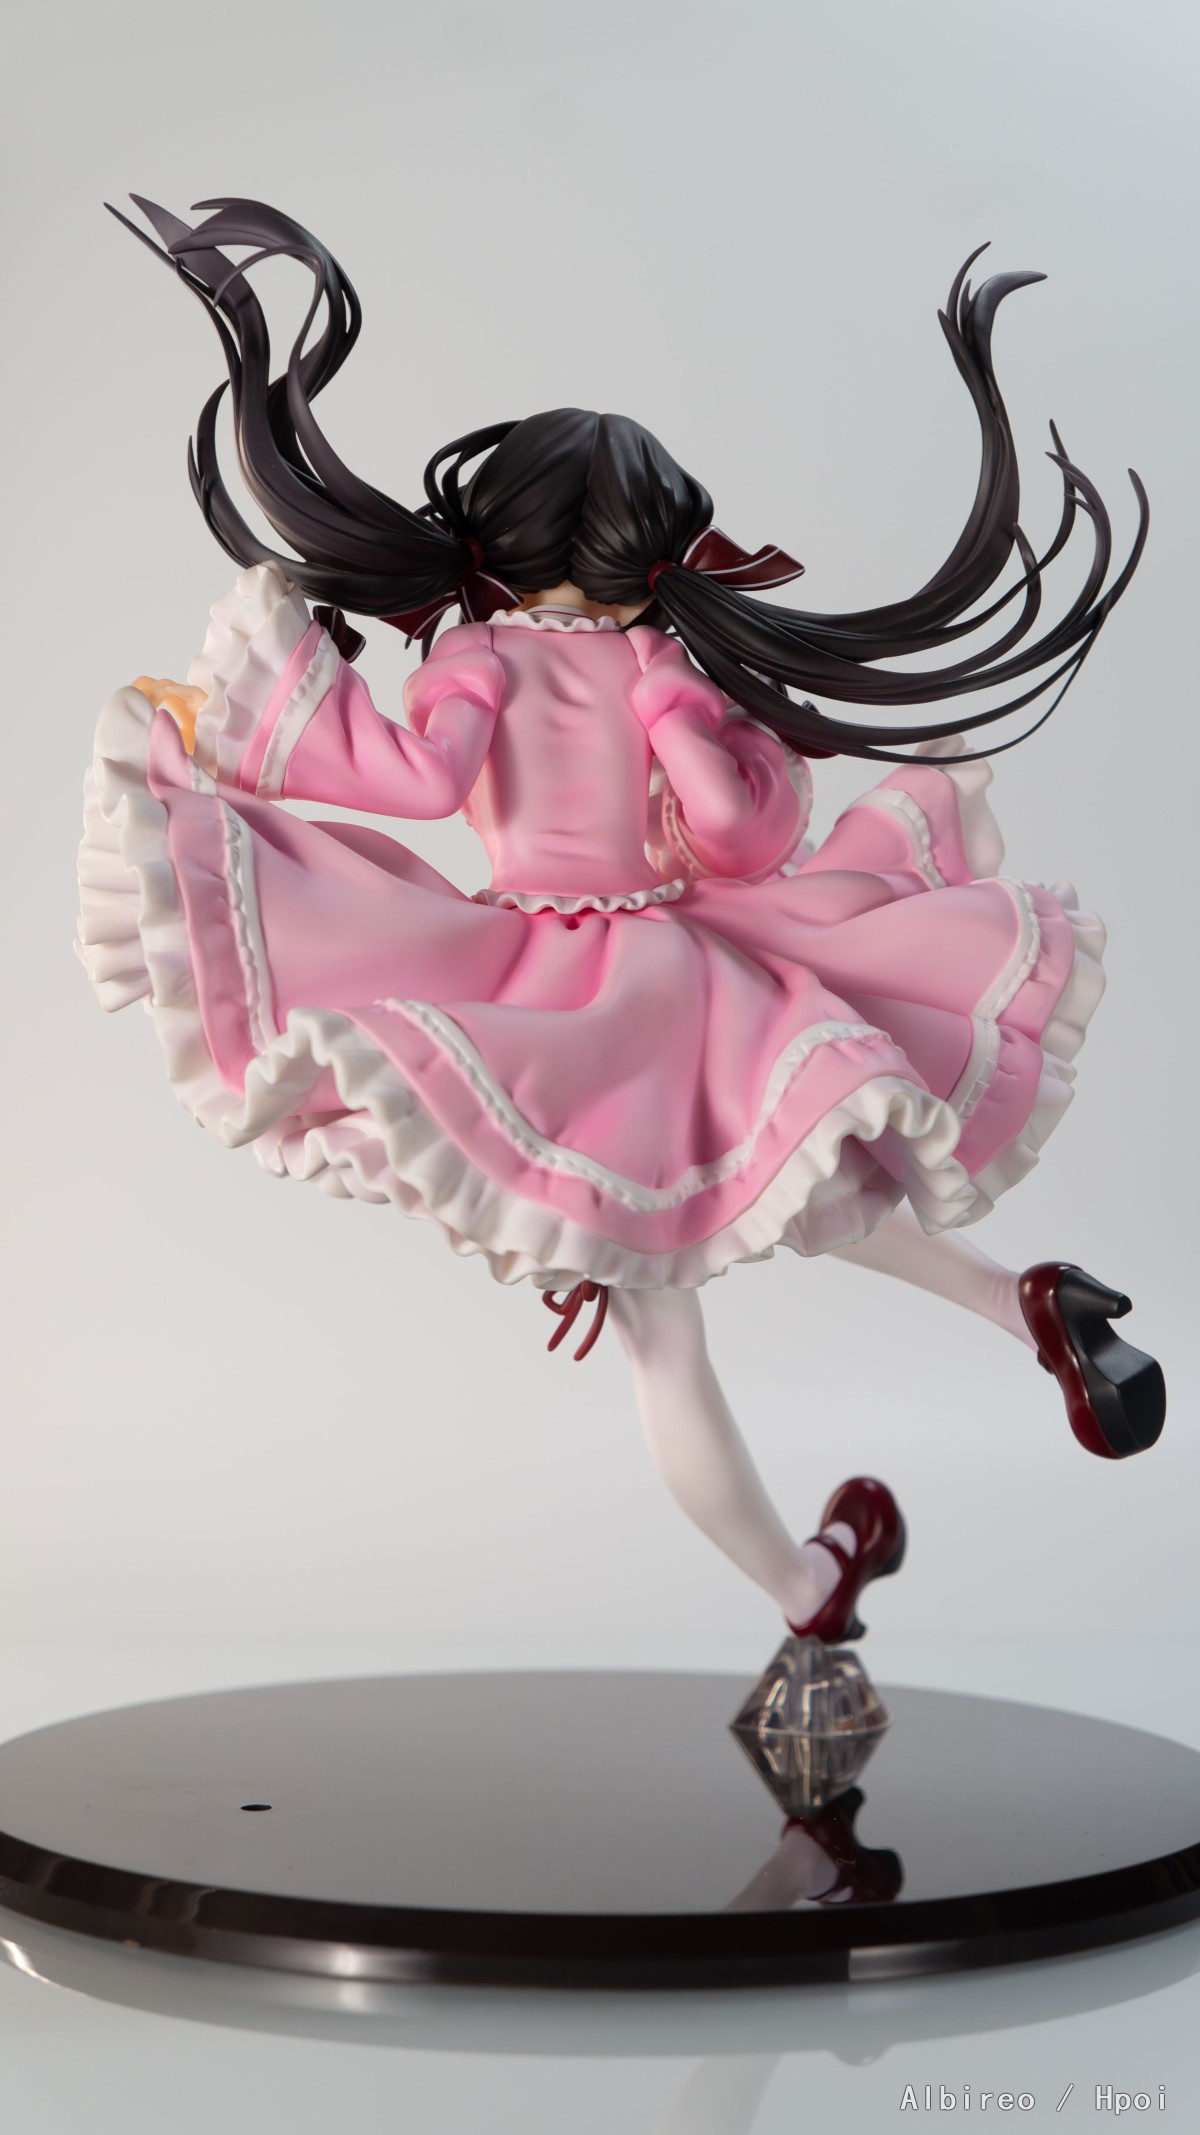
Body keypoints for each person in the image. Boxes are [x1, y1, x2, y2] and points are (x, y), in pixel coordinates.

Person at [78, 197, 1165, 1648]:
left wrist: (264, 716)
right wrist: (677, 715)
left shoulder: (478, 659)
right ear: (653, 543)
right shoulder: (669, 661)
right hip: (686, 963)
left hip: (549, 989)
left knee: (668, 1323)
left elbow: (418, 785)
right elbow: (741, 836)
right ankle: (1025, 1300)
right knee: (801, 1167)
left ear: (499, 532)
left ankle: (809, 1594)